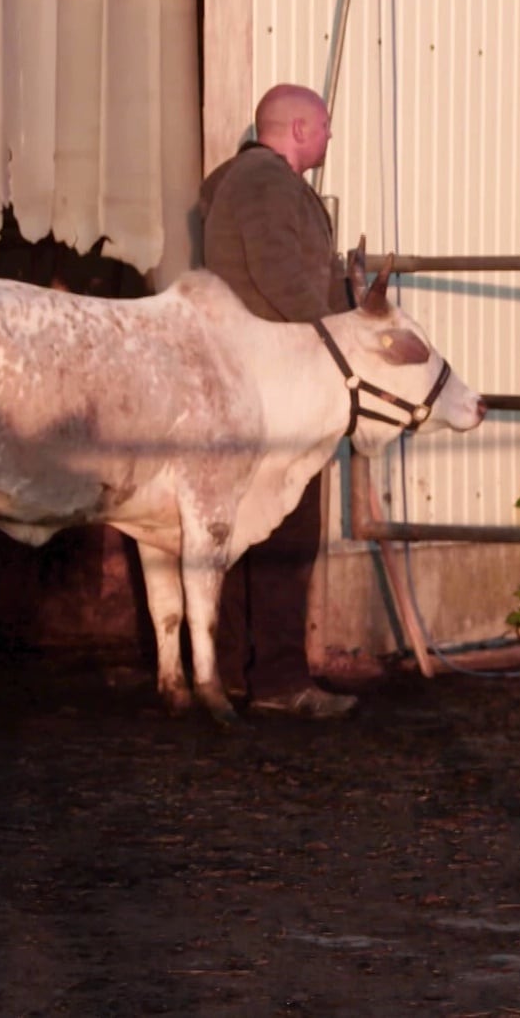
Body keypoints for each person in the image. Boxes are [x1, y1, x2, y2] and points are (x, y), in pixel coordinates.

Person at [195, 83, 357, 719]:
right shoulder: (267, 184)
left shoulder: (239, 182)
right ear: (296, 130)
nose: (329, 136)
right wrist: (339, 338)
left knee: (240, 532)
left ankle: (239, 672)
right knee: (288, 531)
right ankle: (281, 681)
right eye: (322, 126)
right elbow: (277, 270)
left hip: (247, 380)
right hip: (279, 385)